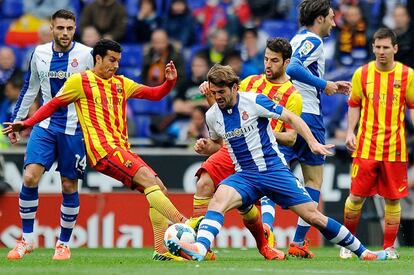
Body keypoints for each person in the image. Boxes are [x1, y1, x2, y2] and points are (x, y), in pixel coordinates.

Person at [3, 39, 203, 262]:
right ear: (97, 59)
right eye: (112, 60)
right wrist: (28, 123)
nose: (116, 65)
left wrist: (169, 83)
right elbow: (53, 104)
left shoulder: (121, 83)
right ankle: (185, 223)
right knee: (149, 181)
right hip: (104, 151)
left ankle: (160, 249)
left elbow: (154, 95)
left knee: (159, 189)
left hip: (121, 149)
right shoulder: (80, 81)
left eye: (118, 61)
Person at [166, 64, 388, 262]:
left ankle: (364, 252)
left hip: (273, 170)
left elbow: (292, 118)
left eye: (222, 92)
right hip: (245, 175)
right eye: (214, 93)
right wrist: (207, 147)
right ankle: (199, 248)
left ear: (235, 88)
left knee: (313, 216)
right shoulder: (212, 115)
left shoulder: (254, 101)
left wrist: (312, 143)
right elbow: (219, 144)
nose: (218, 97)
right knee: (218, 201)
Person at [193, 38, 302, 254]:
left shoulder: (293, 95)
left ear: (286, 63)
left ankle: (266, 237)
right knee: (204, 182)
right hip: (232, 147)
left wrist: (258, 133)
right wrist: (210, 95)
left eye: (274, 60)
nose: (268, 65)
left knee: (252, 202)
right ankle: (198, 243)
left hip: (265, 151)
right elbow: (224, 114)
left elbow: (291, 139)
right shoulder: (250, 82)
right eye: (265, 59)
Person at [5, 9, 94, 261]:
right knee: (30, 176)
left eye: (69, 28)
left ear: (74, 29)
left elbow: (99, 90)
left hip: (75, 129)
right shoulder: (39, 53)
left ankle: (63, 244)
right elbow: (29, 89)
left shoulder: (87, 55)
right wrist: (17, 123)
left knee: (68, 185)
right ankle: (27, 239)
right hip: (44, 126)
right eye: (60, 28)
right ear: (52, 28)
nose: (65, 33)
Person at [284, 0, 351, 258]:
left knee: (270, 175)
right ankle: (298, 241)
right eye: (332, 18)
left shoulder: (296, 39)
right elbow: (293, 67)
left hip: (288, 113)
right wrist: (324, 84)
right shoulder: (314, 41)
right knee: (313, 180)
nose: (334, 23)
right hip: (308, 116)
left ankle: (268, 234)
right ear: (320, 18)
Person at [340, 27, 414, 260]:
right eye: (377, 47)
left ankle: (389, 247)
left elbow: (412, 106)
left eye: (386, 47)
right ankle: (348, 244)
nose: (381, 52)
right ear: (372, 47)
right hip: (366, 147)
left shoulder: (408, 75)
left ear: (395, 48)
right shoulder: (362, 74)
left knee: (393, 199)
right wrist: (350, 132)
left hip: (395, 148)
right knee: (355, 196)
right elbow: (354, 104)